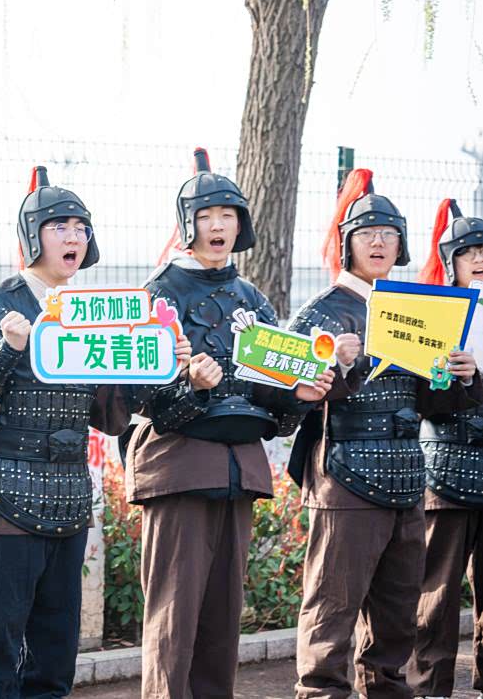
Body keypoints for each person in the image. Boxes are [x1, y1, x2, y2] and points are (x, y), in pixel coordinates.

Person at [0, 167, 190, 699]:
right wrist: (9, 347)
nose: (73, 237)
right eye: (59, 226)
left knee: (57, 649)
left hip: (70, 495)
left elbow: (110, 414)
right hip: (5, 491)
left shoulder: (93, 315)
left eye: (81, 228)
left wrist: (163, 366)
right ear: (31, 235)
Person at [125, 148, 331, 699]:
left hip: (240, 468)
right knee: (174, 615)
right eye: (206, 216)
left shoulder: (253, 299)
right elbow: (137, 397)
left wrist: (301, 395)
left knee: (223, 617)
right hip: (179, 467)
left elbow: (274, 409)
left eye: (228, 215)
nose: (218, 226)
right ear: (186, 224)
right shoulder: (156, 295)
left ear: (241, 225)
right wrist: (191, 385)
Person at [289, 171, 479, 699]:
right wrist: (335, 364)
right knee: (331, 612)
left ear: (402, 244)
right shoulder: (322, 310)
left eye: (389, 233)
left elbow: (429, 403)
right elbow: (287, 395)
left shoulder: (417, 309)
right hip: (344, 477)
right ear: (347, 242)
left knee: (397, 619)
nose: (378, 242)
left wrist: (460, 377)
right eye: (367, 233)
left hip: (407, 476)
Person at [408, 198, 483, 698]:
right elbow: (423, 399)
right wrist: (458, 381)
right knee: (436, 590)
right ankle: (430, 688)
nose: (479, 259)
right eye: (468, 251)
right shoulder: (431, 314)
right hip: (446, 465)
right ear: (449, 260)